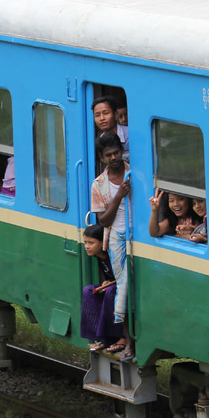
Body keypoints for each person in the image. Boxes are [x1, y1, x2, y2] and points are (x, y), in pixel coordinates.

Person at [90, 132, 133, 360]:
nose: (114, 157)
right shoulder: (98, 185)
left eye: (117, 152)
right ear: (102, 157)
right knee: (123, 286)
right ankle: (127, 339)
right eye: (109, 155)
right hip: (116, 237)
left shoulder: (134, 173)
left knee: (136, 286)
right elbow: (103, 221)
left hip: (137, 237)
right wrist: (119, 197)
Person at [79, 224, 125, 353]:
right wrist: (107, 282)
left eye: (91, 243)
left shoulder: (113, 255)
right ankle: (100, 338)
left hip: (123, 286)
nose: (87, 246)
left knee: (111, 291)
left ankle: (121, 338)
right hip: (113, 285)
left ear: (102, 242)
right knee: (88, 291)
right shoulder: (100, 258)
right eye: (85, 242)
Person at [92, 96, 129, 163]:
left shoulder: (129, 134)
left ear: (115, 115)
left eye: (106, 113)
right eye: (97, 115)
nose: (102, 118)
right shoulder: (101, 141)